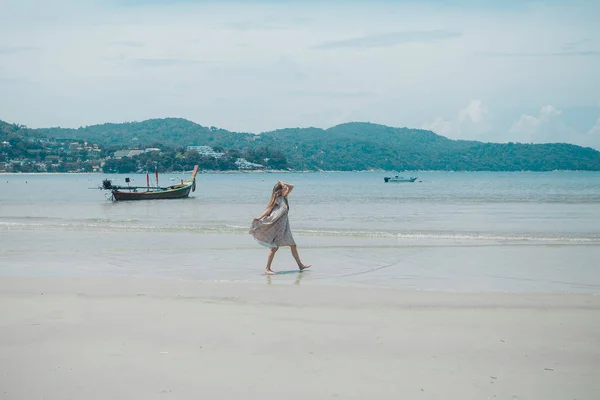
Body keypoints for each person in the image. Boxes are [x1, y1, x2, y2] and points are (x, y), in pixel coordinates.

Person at [249, 180, 311, 275]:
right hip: (276, 225)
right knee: (274, 247)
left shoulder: (284, 197)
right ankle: (267, 269)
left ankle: (300, 265)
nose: (286, 188)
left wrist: (283, 183)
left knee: (293, 245)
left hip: (285, 226)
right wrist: (259, 217)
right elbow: (268, 209)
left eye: (285, 187)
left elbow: (292, 186)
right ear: (279, 190)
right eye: (283, 187)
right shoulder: (277, 199)